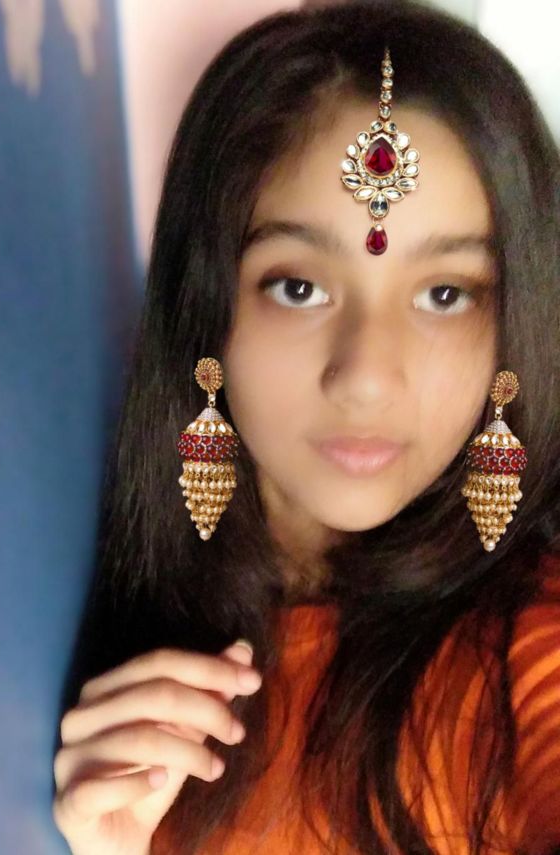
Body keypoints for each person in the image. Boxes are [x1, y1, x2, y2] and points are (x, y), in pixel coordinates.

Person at [51, 2, 560, 853]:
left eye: (445, 294)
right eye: (299, 287)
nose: (365, 375)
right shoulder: (120, 649)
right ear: (209, 311)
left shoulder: (530, 648)